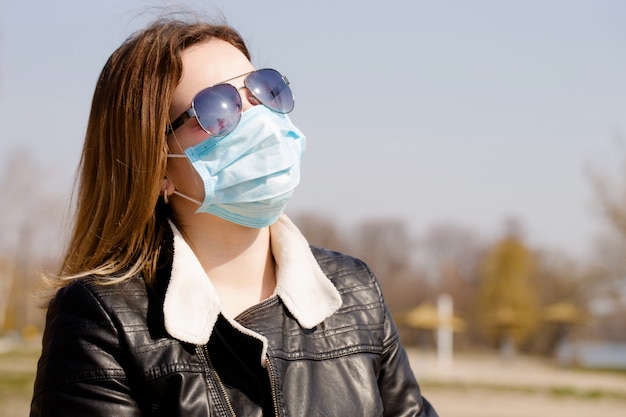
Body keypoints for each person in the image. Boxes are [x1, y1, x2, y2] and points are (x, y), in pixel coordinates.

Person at [30, 15, 438, 417]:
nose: (259, 119)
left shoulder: (354, 291)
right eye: (217, 108)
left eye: (262, 90)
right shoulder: (101, 321)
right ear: (154, 167)